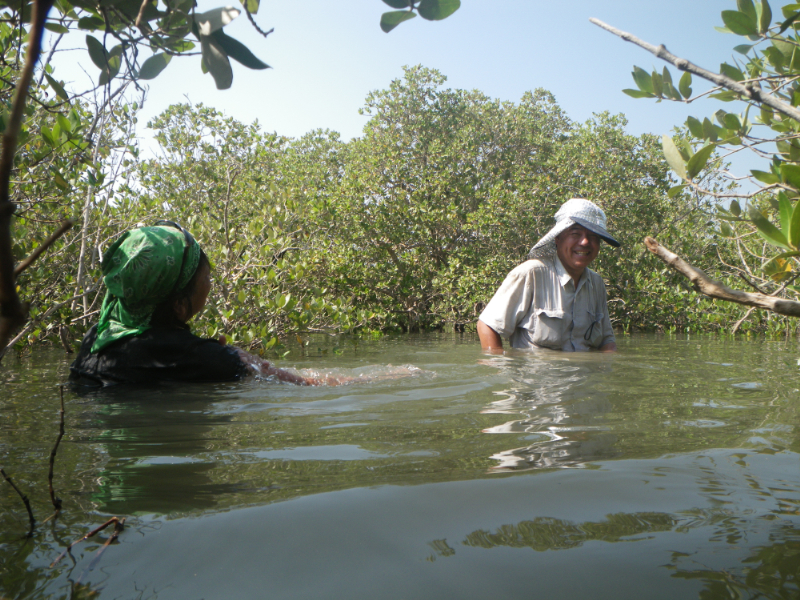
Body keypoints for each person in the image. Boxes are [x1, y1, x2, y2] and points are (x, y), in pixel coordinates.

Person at [70, 222, 313, 386]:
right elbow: (297, 383)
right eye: (206, 278)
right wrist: (232, 358)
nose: (210, 284)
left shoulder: (96, 337)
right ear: (179, 305)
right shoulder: (200, 358)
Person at [477, 198, 619, 353]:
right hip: (535, 368)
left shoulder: (596, 283)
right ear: (558, 238)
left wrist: (606, 364)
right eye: (575, 233)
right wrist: (499, 363)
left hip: (583, 368)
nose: (585, 242)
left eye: (593, 236)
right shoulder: (531, 273)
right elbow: (487, 325)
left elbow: (607, 341)